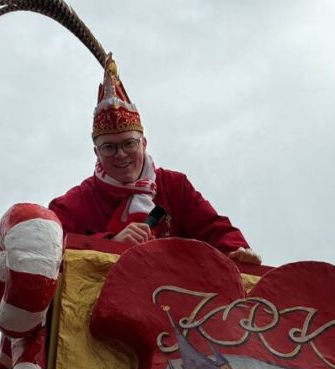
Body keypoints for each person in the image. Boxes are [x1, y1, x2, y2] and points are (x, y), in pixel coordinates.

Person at [49, 56, 261, 264]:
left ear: (144, 143)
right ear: (97, 152)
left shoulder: (175, 186)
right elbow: (51, 246)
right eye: (109, 147)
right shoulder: (73, 204)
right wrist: (110, 243)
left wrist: (237, 252)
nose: (120, 154)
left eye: (129, 143)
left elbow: (214, 229)